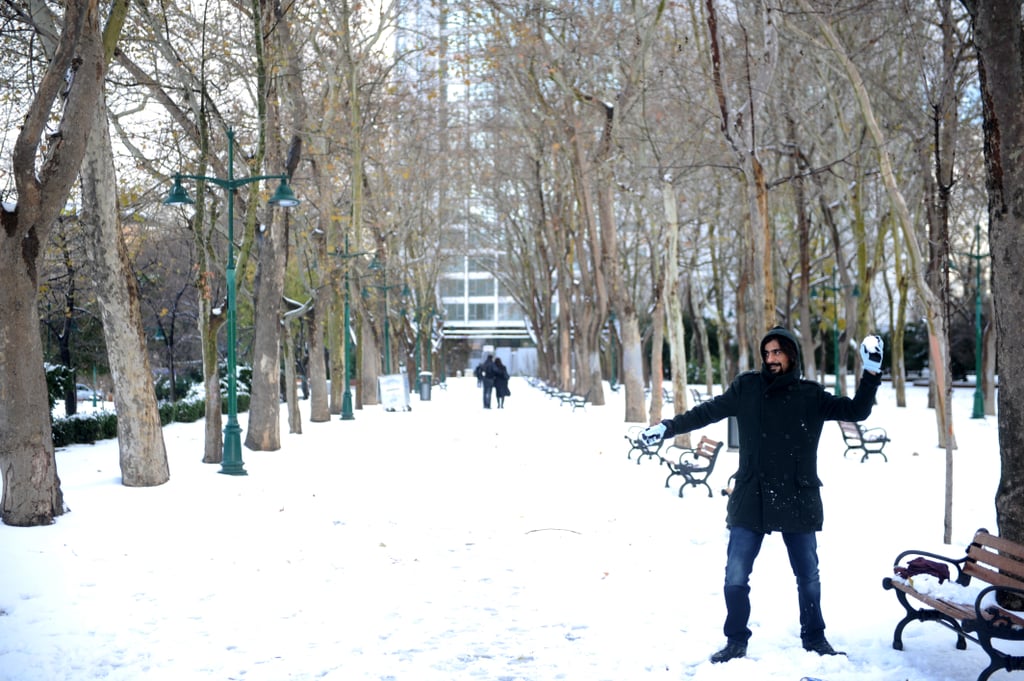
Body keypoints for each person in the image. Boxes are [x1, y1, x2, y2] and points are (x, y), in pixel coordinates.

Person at [640, 326, 884, 664]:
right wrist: (668, 427)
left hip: (797, 496)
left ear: (792, 355)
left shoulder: (810, 395)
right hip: (751, 496)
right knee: (735, 575)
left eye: (777, 353)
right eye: (766, 353)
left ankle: (814, 637)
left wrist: (871, 373)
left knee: (808, 576)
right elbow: (706, 412)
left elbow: (857, 411)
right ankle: (736, 640)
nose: (770, 359)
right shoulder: (746, 388)